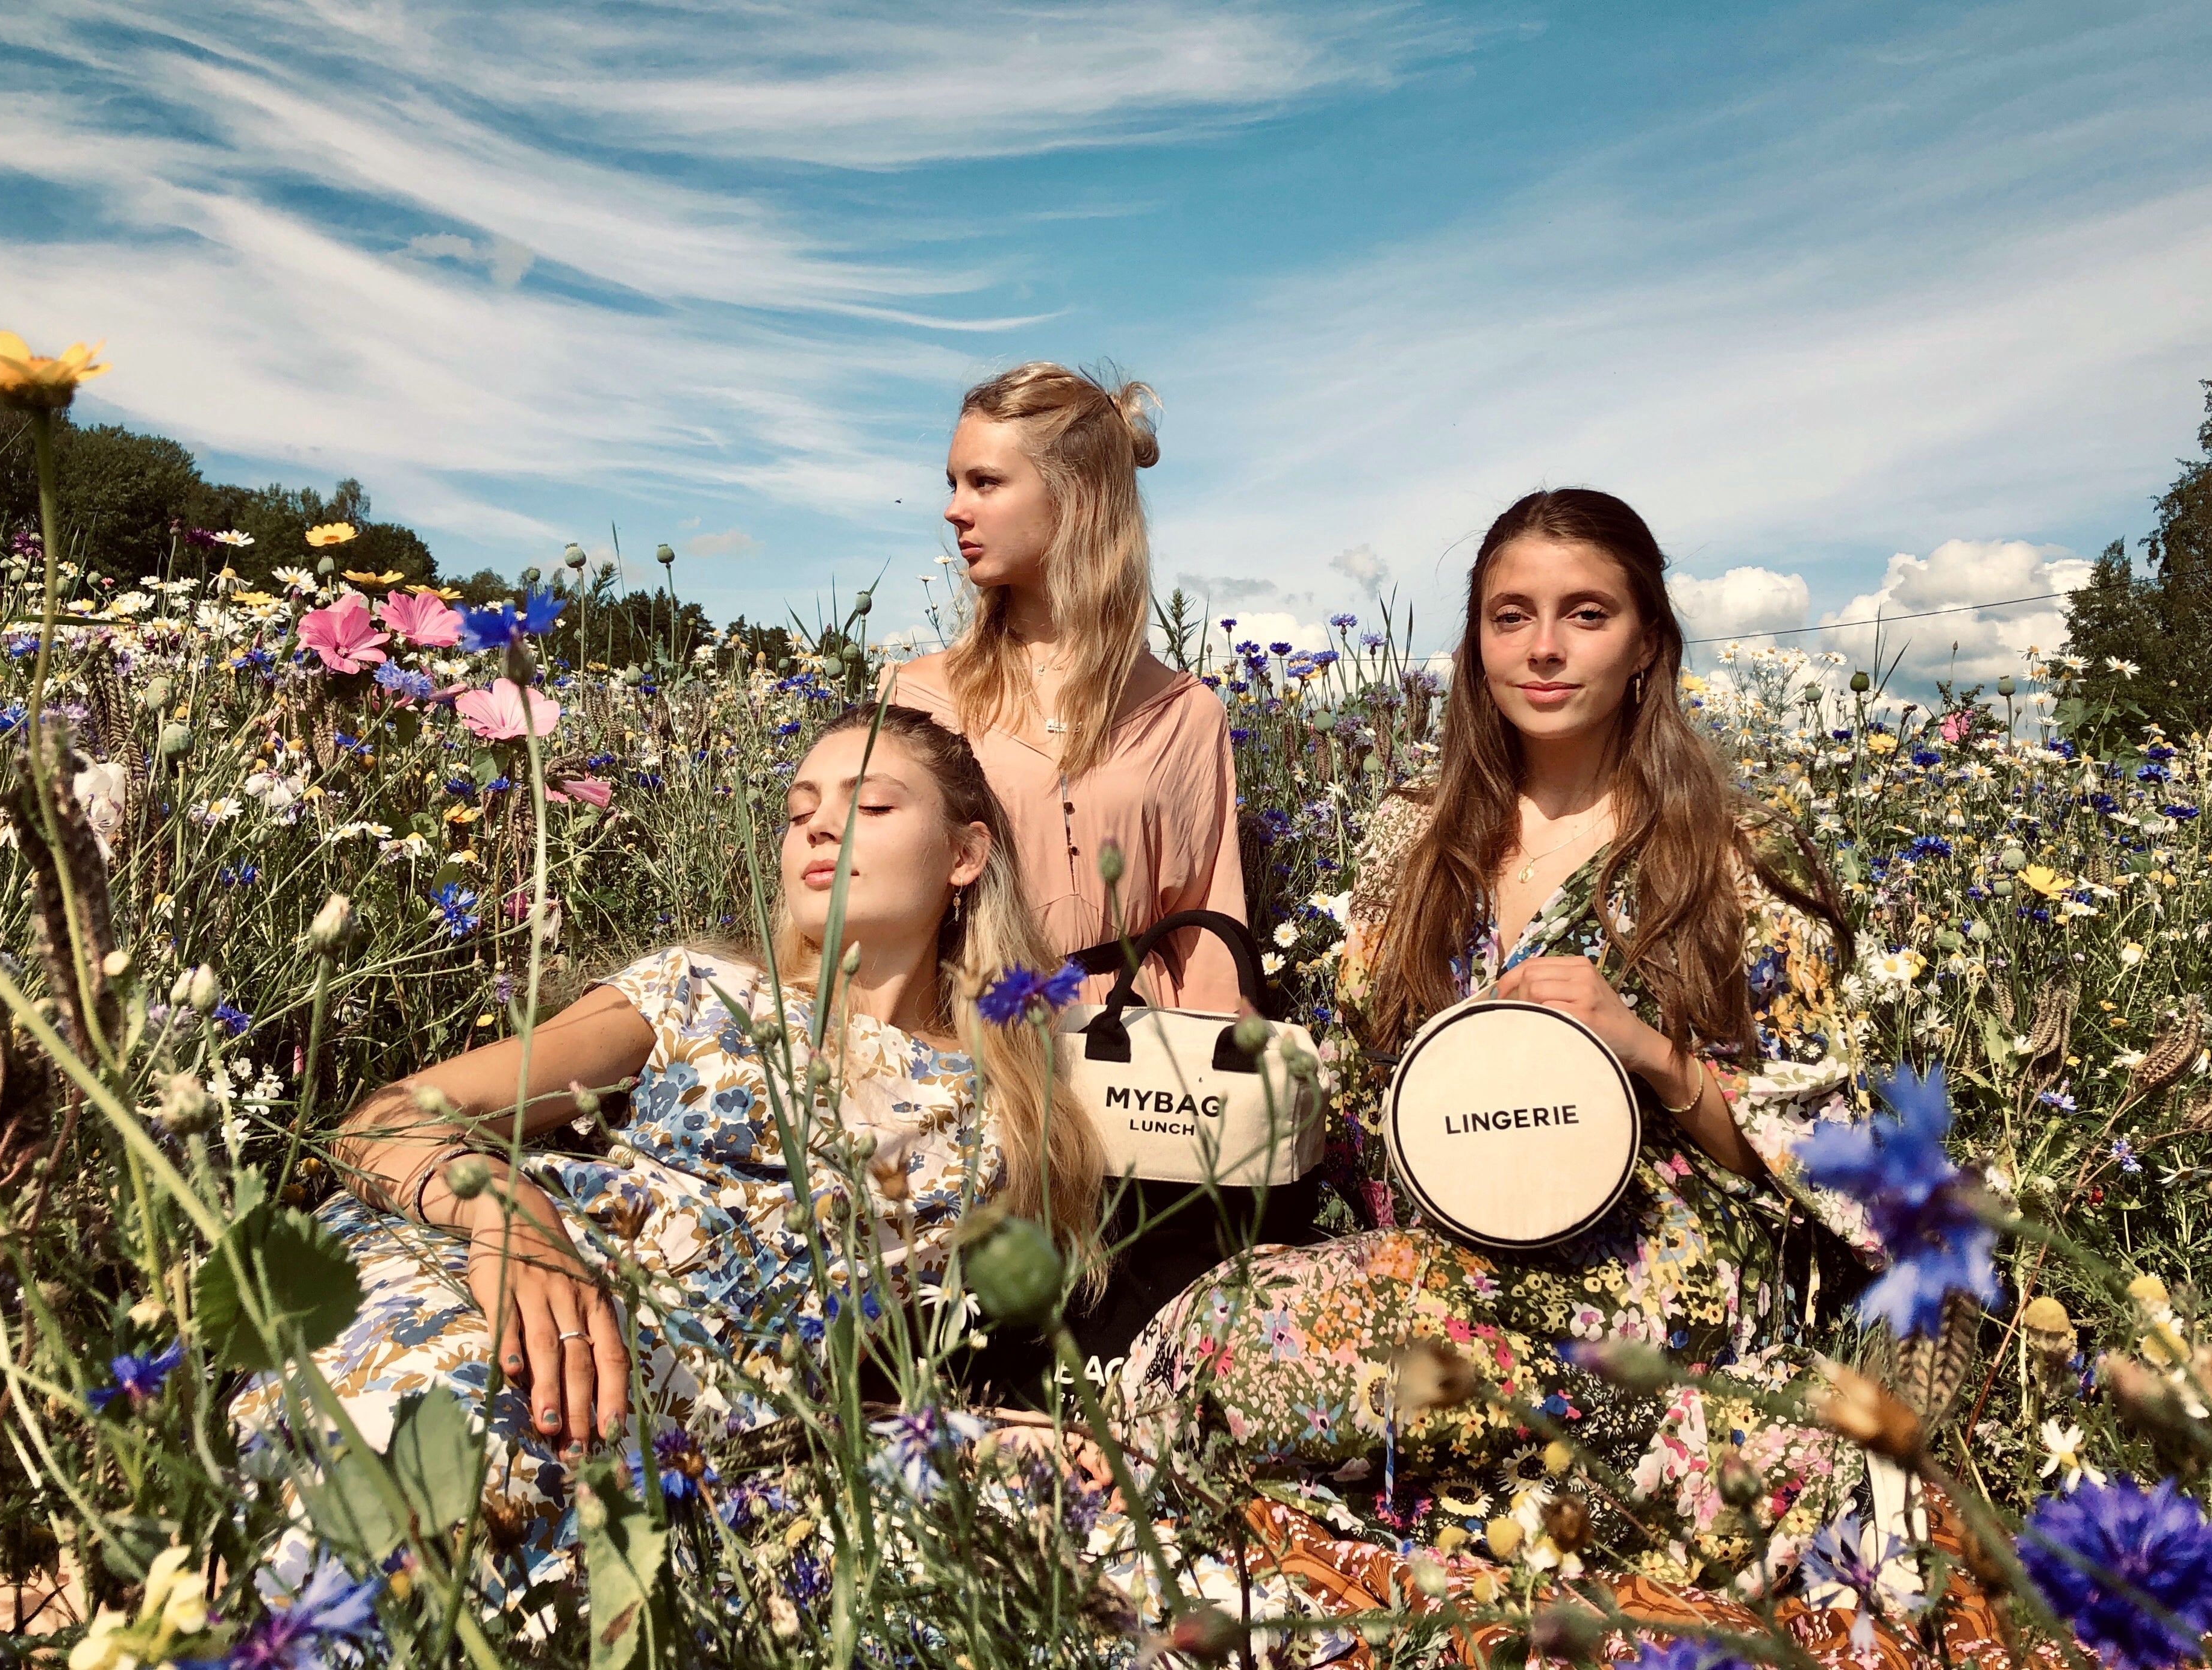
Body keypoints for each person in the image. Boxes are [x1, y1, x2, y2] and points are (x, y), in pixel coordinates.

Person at [1119, 488, 1878, 1583]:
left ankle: (1589, 1484)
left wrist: (1647, 1049)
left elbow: (1828, 1156)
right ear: (1475, 645)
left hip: (1647, 1263)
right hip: (1444, 1244)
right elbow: (1360, 1085)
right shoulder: (1415, 835)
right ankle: (1532, 1521)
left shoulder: (1724, 852)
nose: (1544, 648)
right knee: (1221, 1322)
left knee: (1249, 1365)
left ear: (1645, 643)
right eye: (1509, 615)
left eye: (1585, 613)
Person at [235, 706, 1105, 1589]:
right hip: (491, 1273)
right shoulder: (700, 990)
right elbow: (381, 1119)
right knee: (421, 1489)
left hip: (692, 1426)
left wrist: (994, 1427)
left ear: (964, 855)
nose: (820, 824)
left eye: (871, 806)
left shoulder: (1003, 1109)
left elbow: (863, 1361)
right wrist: (511, 1214)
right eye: (799, 807)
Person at [887, 362, 1247, 1012]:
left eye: (985, 482)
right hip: (971, 1033)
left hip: (1134, 1054)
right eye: (953, 483)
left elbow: (1209, 933)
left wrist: (1217, 1086)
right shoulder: (915, 699)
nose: (952, 509)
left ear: (1076, 494)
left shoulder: (1186, 713)